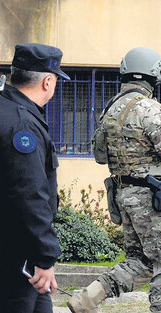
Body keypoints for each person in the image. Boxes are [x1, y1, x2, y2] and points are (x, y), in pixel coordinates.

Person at [0, 43, 69, 312]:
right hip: (7, 259)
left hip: (11, 255)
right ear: (48, 82)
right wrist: (46, 256)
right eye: (56, 79)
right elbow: (29, 194)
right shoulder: (21, 123)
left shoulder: (3, 111)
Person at [68, 47, 161, 313]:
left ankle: (86, 299)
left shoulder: (108, 111)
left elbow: (99, 155)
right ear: (153, 75)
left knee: (140, 262)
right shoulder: (150, 109)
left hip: (123, 197)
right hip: (151, 200)